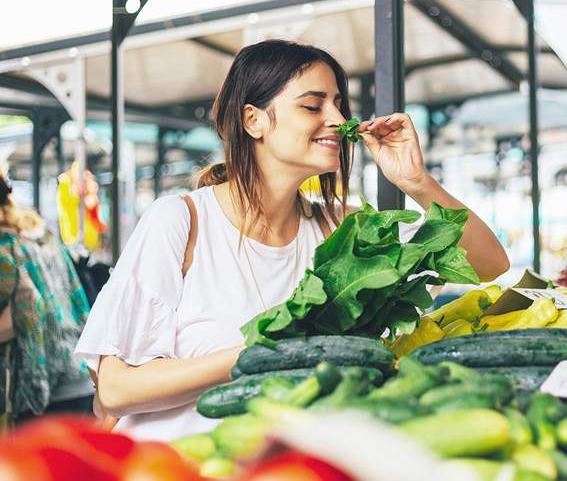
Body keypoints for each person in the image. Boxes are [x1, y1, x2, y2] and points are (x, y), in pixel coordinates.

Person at [75, 39, 510, 441]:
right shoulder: (182, 221)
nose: (338, 120)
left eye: (338, 104)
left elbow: (490, 263)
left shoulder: (340, 230)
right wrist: (262, 351)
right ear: (254, 120)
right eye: (312, 105)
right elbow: (114, 390)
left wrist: (415, 179)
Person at [0, 173, 94, 430]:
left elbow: (24, 311)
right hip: (79, 373)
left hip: (42, 390)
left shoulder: (5, 246)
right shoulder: (41, 234)